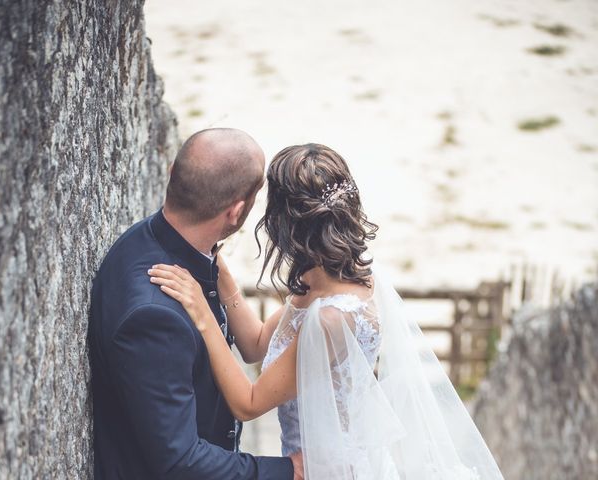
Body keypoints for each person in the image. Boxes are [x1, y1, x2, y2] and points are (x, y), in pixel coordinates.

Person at [149, 143, 506, 479]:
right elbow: (257, 344)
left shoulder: (332, 318)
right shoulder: (327, 272)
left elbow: (249, 402)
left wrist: (201, 311)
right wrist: (221, 275)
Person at [88, 128, 301, 479]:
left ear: (174, 172)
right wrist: (285, 471)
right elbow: (178, 462)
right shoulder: (155, 316)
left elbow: (251, 346)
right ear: (235, 213)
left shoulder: (149, 240)